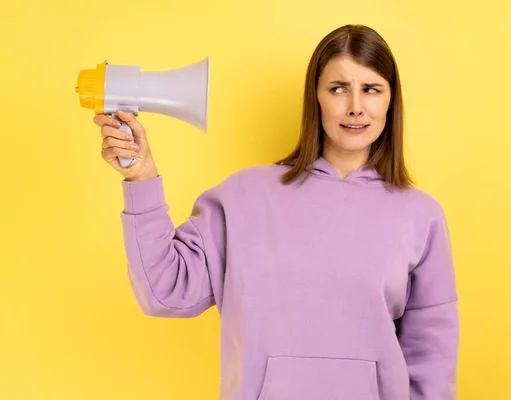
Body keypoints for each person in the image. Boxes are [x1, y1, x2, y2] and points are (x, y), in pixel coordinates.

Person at [94, 24, 459, 400]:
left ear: (390, 101)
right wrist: (141, 177)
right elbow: (165, 290)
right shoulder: (243, 196)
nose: (355, 106)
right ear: (315, 97)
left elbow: (432, 359)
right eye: (338, 88)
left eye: (371, 89)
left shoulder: (420, 215)